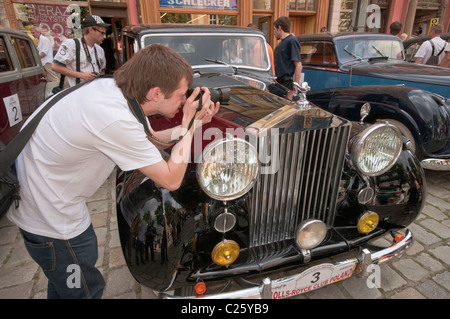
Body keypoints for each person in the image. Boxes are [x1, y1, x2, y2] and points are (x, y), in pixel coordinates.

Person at [6, 44, 220, 298]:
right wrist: (190, 124)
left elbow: (147, 140)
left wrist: (189, 127)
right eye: (182, 94)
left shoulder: (111, 91)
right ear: (156, 93)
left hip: (41, 206)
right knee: (84, 290)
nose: (186, 101)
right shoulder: (114, 117)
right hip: (53, 222)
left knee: (64, 287)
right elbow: (171, 179)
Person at [52, 15, 110, 87]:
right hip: (78, 93)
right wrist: (82, 75)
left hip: (95, 92)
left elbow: (102, 71)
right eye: (102, 33)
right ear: (90, 29)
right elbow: (55, 66)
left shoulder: (100, 50)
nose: (104, 36)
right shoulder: (71, 44)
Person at [272, 16, 302, 100]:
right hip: (278, 83)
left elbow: (298, 64)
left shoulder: (292, 40)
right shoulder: (281, 43)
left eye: (274, 29)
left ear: (279, 28)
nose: (274, 32)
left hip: (287, 83)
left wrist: (294, 87)